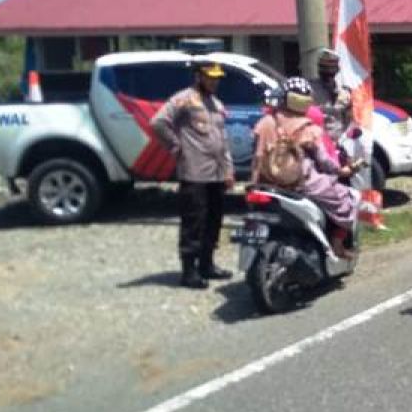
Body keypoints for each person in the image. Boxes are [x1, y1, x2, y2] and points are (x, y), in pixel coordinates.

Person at [252, 77, 362, 256]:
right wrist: (341, 170)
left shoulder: (265, 123)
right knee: (347, 199)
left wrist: (254, 182)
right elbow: (325, 161)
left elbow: (257, 156)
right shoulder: (307, 127)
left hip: (267, 184)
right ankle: (337, 244)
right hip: (301, 184)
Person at [151, 60, 236, 289]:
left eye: (217, 77)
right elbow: (158, 122)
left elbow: (222, 140)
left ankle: (207, 264)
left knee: (213, 221)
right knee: (194, 223)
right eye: (210, 77)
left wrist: (228, 170)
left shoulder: (215, 103)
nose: (215, 81)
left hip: (216, 174)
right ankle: (189, 271)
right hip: (195, 172)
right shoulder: (184, 99)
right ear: (199, 76)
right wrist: (175, 146)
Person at [312, 48, 353, 143]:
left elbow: (348, 118)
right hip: (317, 140)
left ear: (337, 70)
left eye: (331, 69)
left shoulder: (344, 92)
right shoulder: (310, 89)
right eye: (324, 68)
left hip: (338, 140)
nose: (328, 72)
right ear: (319, 69)